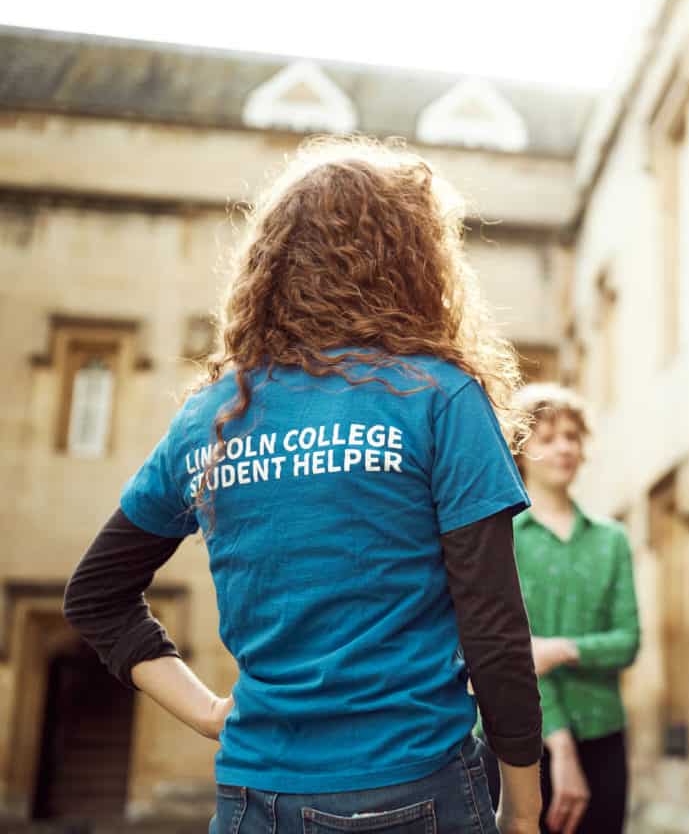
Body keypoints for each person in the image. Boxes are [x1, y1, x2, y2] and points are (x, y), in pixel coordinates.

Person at [63, 138, 544, 834]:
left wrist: (208, 712)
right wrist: (523, 809)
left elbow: (94, 594)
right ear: (413, 258)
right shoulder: (437, 396)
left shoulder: (210, 417)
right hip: (413, 789)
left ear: (273, 263)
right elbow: (495, 629)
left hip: (255, 799)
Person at [483, 383, 639, 834]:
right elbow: (508, 655)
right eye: (548, 438)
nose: (564, 448)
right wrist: (561, 746)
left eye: (573, 436)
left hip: (603, 733)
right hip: (514, 739)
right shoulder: (500, 537)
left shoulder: (611, 539)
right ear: (520, 447)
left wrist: (558, 649)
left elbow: (627, 642)